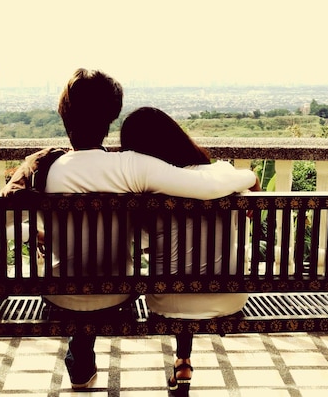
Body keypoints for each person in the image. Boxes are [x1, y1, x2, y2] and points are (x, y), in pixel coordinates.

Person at [38, 69, 257, 390]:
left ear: (63, 115)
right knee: (106, 269)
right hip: (116, 295)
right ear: (112, 115)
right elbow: (205, 184)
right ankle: (83, 353)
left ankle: (80, 354)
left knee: (81, 265)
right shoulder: (131, 165)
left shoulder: (50, 168)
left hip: (60, 296)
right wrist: (247, 176)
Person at [121, 106, 255, 395]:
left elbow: (140, 241)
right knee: (192, 269)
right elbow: (247, 178)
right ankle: (183, 360)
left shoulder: (149, 187)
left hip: (167, 302)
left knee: (177, 274)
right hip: (228, 296)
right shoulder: (222, 174)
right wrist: (251, 179)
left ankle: (183, 360)